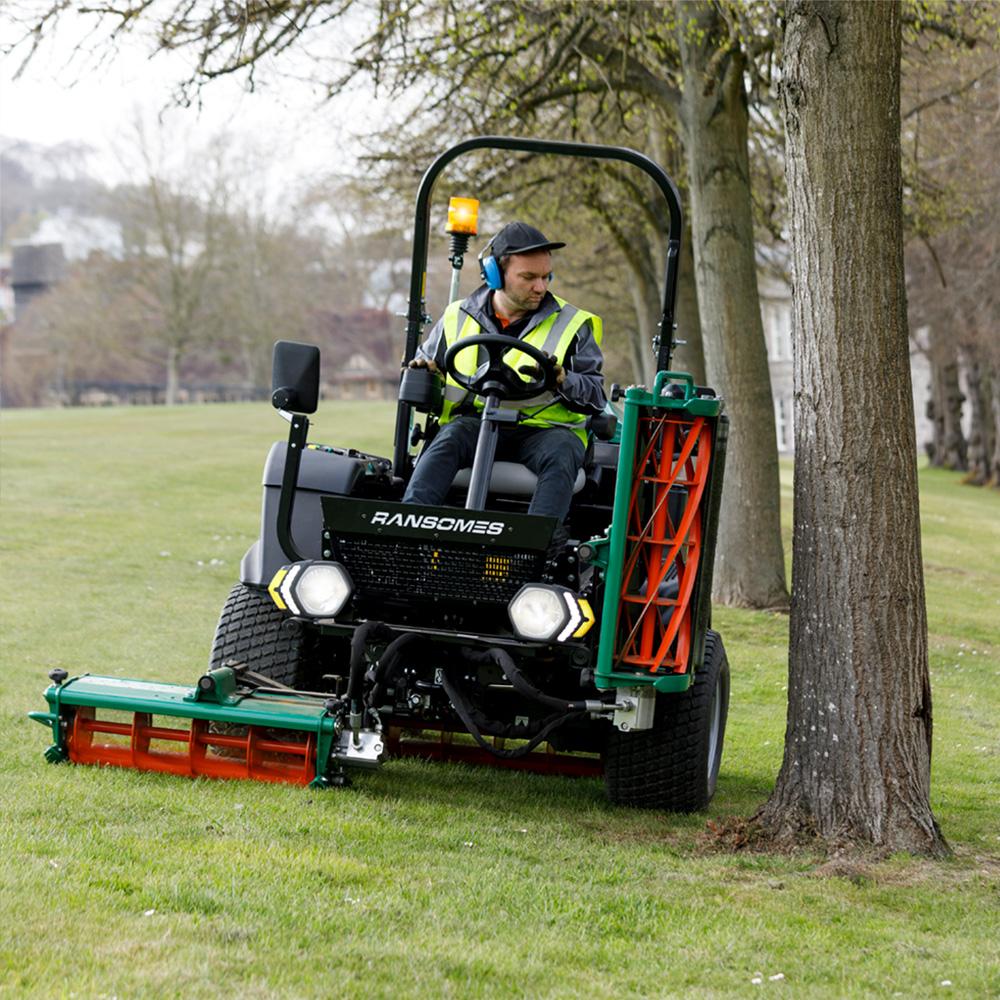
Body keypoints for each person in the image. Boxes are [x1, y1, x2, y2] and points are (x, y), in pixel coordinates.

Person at [402, 221, 606, 522]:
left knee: (563, 452)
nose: (541, 286)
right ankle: (408, 532)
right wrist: (426, 372)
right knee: (447, 439)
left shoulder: (574, 324)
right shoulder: (456, 317)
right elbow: (424, 374)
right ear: (495, 274)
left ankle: (538, 550)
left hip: (545, 433)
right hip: (476, 424)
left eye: (546, 276)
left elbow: (596, 396)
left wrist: (562, 379)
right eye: (529, 277)